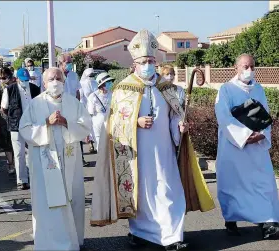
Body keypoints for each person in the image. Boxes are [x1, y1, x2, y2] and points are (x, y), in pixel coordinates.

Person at [90, 30, 215, 251]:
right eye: (143, 61)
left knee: (168, 191)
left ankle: (172, 237)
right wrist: (135, 122)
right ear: (135, 64)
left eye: (151, 61)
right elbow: (113, 124)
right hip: (136, 155)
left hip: (164, 152)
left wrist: (180, 127)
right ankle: (140, 232)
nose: (148, 65)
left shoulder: (166, 88)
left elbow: (175, 116)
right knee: (140, 194)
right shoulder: (122, 89)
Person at [18, 67, 92, 251]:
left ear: (64, 82)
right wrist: (46, 123)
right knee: (47, 203)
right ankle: (48, 244)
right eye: (51, 79)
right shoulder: (35, 104)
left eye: (59, 78)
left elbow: (86, 125)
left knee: (71, 199)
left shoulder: (73, 103)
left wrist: (67, 122)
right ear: (44, 83)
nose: (55, 82)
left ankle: (73, 241)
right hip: (45, 164)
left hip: (70, 162)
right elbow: (25, 129)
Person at [215, 53, 279, 238]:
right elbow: (223, 117)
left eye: (252, 67)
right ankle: (231, 219)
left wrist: (262, 134)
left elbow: (266, 117)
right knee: (233, 184)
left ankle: (268, 222)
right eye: (245, 67)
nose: (249, 70)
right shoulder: (226, 89)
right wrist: (244, 135)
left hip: (256, 148)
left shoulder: (259, 88)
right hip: (233, 147)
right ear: (236, 68)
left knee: (264, 183)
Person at [1, 68, 40, 190]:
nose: (25, 82)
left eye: (27, 80)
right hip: (16, 126)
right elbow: (4, 108)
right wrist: (13, 118)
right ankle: (22, 180)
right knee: (19, 154)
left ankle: (35, 177)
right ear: (17, 79)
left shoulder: (34, 89)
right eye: (23, 80)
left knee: (34, 152)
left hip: (32, 125)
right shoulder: (9, 90)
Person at [0, 67, 15, 174]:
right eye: (1, 78)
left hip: (13, 114)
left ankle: (14, 161)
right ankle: (10, 163)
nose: (3, 80)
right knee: (5, 139)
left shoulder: (14, 86)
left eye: (5, 78)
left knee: (14, 139)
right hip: (2, 116)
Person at [87, 72, 113, 151]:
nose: (110, 84)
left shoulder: (112, 94)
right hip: (98, 124)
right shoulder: (93, 96)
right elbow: (90, 113)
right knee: (100, 146)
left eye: (110, 82)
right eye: (107, 83)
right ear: (101, 84)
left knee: (110, 146)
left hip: (110, 122)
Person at [79, 68, 98, 155]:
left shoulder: (95, 83)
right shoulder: (81, 84)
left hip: (95, 107)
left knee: (95, 126)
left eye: (93, 75)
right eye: (90, 75)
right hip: (86, 107)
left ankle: (97, 144)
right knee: (88, 126)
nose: (92, 77)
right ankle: (90, 144)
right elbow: (81, 97)